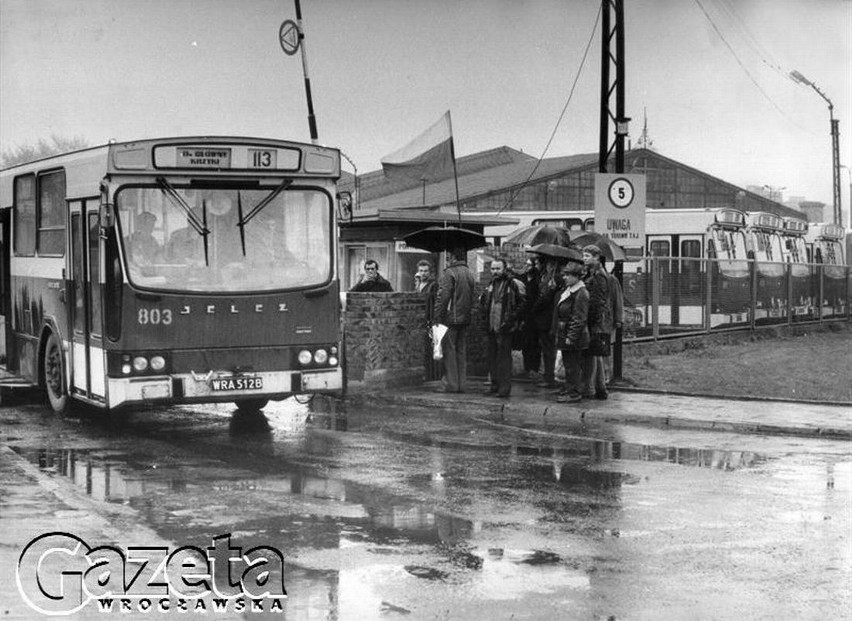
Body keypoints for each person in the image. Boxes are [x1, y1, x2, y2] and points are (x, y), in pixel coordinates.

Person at [479, 258, 527, 398]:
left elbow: (522, 304)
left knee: (504, 359)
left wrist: (511, 320)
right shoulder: (491, 284)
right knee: (492, 358)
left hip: (505, 327)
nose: (494, 271)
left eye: (498, 268)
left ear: (504, 269)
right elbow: (486, 303)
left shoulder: (513, 284)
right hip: (491, 326)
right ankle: (494, 385)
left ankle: (504, 389)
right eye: (493, 269)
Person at [433, 246, 476, 393]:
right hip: (465, 318)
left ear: (453, 258)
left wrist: (437, 318)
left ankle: (451, 384)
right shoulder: (470, 273)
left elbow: (443, 297)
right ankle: (461, 384)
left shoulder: (449, 273)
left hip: (450, 318)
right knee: (461, 352)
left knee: (449, 351)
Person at [553, 261, 589, 403]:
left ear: (576, 277)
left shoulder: (580, 293)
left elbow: (579, 318)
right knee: (568, 364)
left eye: (568, 275)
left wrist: (571, 337)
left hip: (574, 336)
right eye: (564, 275)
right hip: (565, 332)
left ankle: (574, 392)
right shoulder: (570, 290)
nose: (564, 277)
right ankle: (569, 388)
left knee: (573, 365)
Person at [581, 244, 612, 400]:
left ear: (596, 258)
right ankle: (600, 388)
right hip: (597, 320)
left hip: (595, 321)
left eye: (587, 256)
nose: (584, 258)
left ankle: (589, 388)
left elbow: (597, 301)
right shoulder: (592, 273)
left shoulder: (599, 276)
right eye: (584, 255)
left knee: (590, 354)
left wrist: (590, 320)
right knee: (596, 354)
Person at [528, 254, 562, 389]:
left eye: (538, 264)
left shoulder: (554, 279)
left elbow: (546, 298)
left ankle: (550, 377)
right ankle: (548, 375)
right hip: (543, 319)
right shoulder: (545, 277)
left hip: (547, 319)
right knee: (546, 348)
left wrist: (535, 307)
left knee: (549, 349)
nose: (536, 266)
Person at [515, 257, 542, 380]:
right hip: (524, 314)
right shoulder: (522, 278)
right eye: (526, 265)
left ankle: (534, 368)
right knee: (525, 343)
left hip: (535, 315)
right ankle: (527, 368)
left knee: (534, 343)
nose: (527, 267)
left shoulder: (538, 279)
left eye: (530, 265)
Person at [600, 254, 624, 384]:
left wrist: (618, 319)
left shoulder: (611, 280)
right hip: (599, 320)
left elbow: (617, 299)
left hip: (607, 321)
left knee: (604, 349)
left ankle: (605, 375)